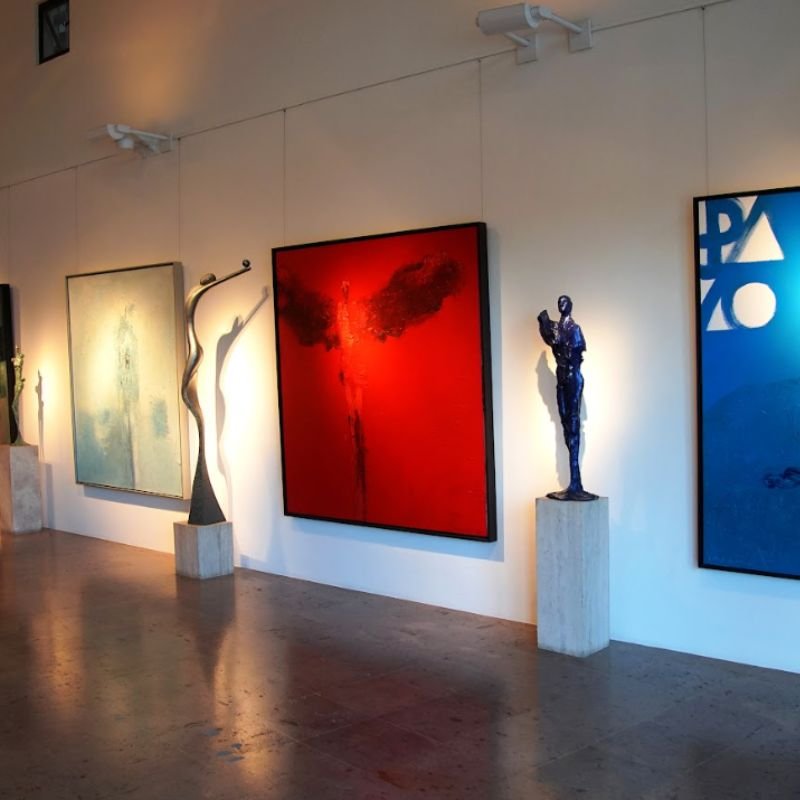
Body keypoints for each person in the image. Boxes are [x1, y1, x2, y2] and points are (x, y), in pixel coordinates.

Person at [538, 295, 597, 501]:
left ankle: (575, 482)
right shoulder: (556, 328)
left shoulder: (574, 329)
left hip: (572, 377)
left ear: (570, 306)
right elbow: (549, 335)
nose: (561, 305)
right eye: (559, 303)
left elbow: (575, 353)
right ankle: (573, 482)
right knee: (565, 424)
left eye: (564, 302)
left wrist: (559, 344)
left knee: (573, 424)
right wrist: (543, 322)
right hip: (562, 377)